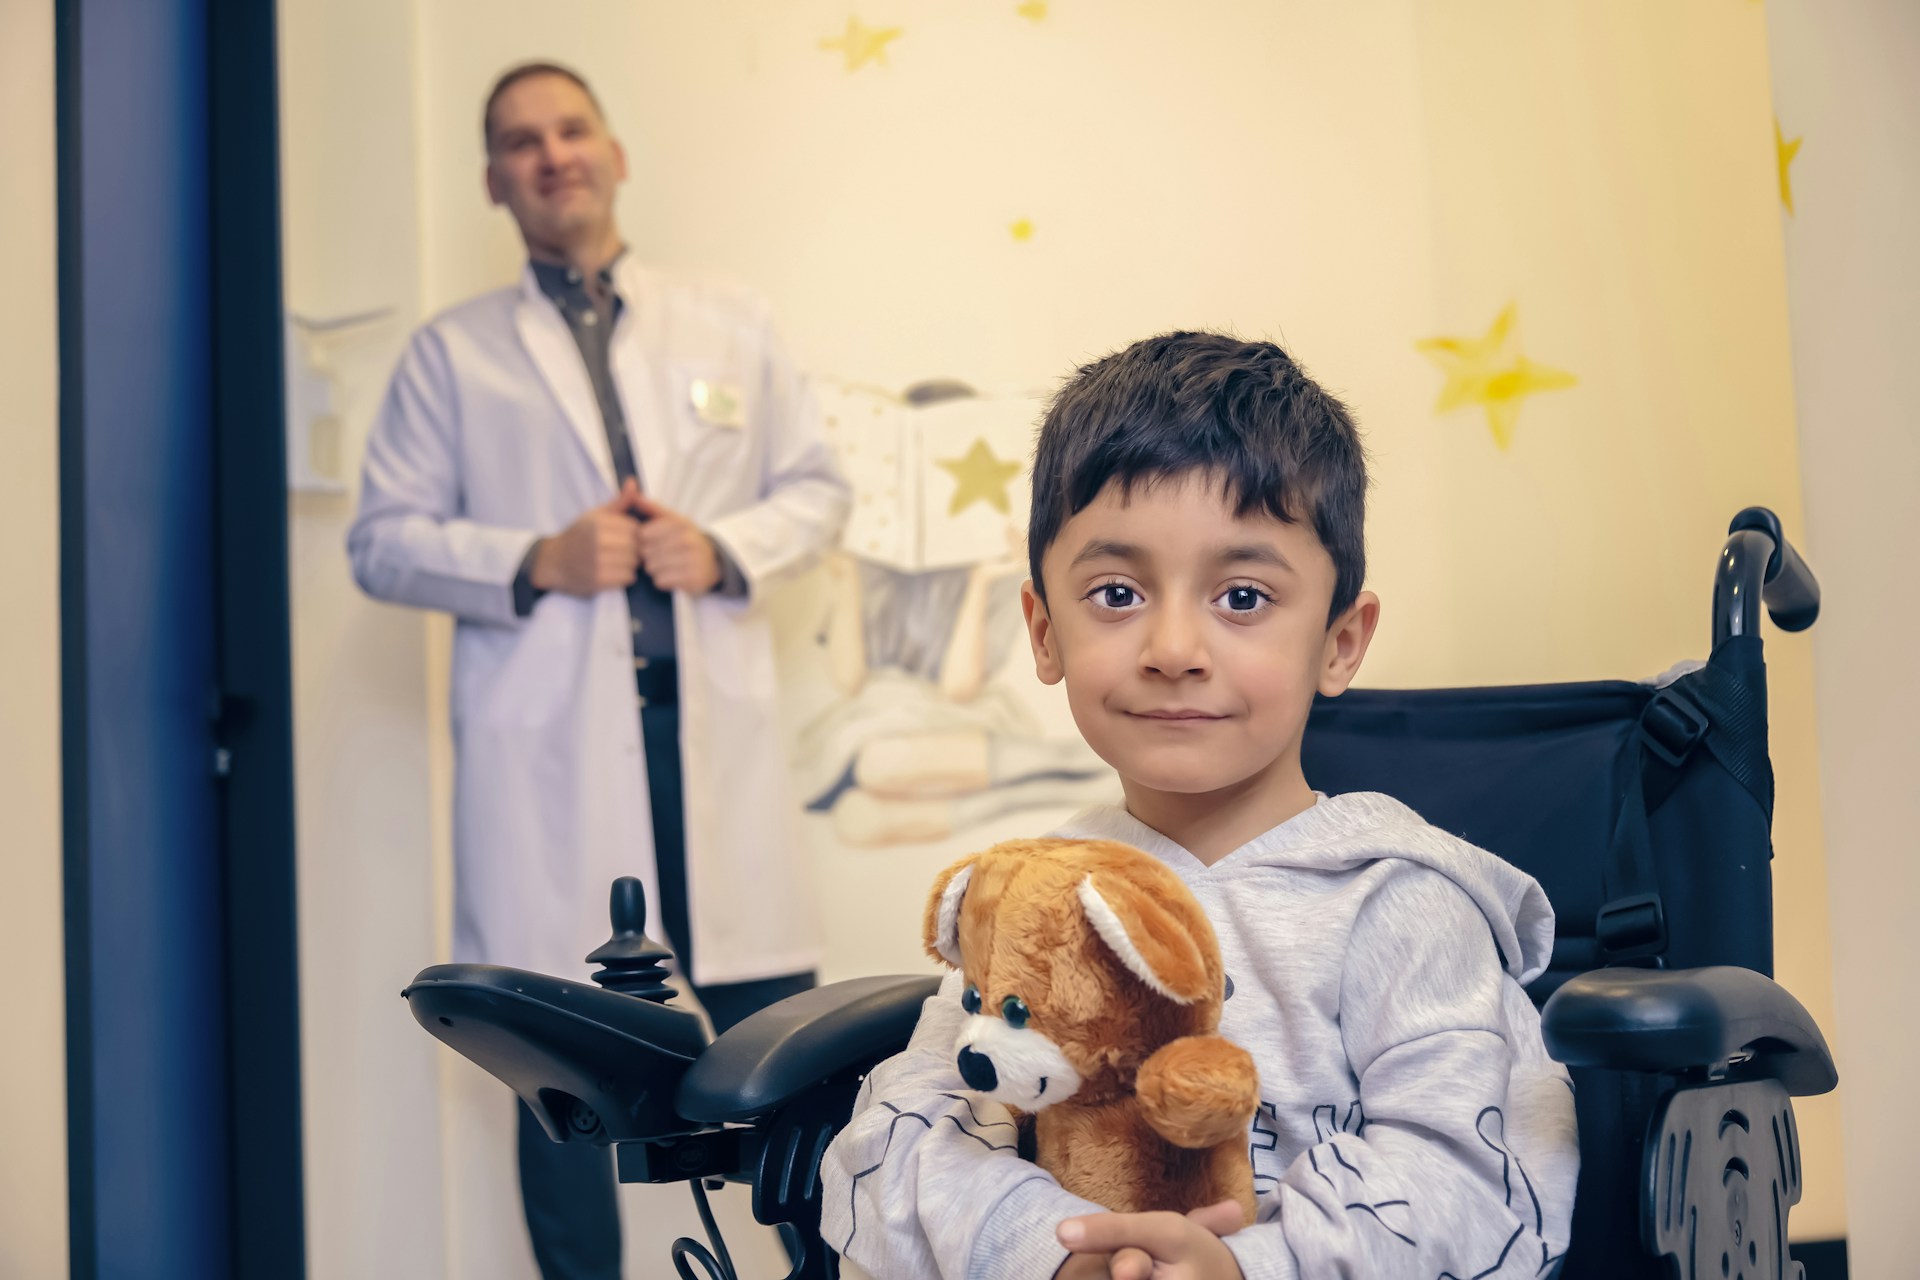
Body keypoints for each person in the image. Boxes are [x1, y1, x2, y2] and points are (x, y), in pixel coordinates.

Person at [818, 332, 1579, 1278]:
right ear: (1044, 633)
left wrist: (1247, 1268)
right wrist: (1051, 1253)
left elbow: (1475, 1185)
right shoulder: (1029, 901)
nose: (1174, 646)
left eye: (1245, 596)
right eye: (1118, 592)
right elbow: (894, 1150)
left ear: (1342, 642)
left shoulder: (1401, 902)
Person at [347, 61, 850, 1280]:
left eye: (572, 129)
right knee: (563, 1076)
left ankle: (824, 1270)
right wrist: (538, 556)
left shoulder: (733, 318)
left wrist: (721, 546)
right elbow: (382, 539)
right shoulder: (450, 356)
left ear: (616, 152)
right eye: (521, 141)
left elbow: (821, 489)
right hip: (555, 770)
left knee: (786, 1064)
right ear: (493, 181)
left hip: (708, 748)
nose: (552, 154)